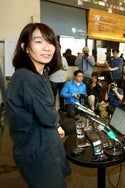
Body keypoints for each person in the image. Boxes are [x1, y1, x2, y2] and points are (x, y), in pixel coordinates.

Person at [5, 23, 71, 188]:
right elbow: (49, 116)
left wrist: (56, 124)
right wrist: (55, 121)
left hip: (47, 143)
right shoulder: (26, 78)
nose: (47, 48)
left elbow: (46, 112)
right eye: (39, 42)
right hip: (38, 152)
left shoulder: (41, 74)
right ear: (25, 47)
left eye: (50, 42)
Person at [50, 44, 69, 112]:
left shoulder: (63, 58)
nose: (58, 50)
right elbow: (48, 69)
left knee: (62, 95)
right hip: (53, 80)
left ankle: (62, 108)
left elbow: (66, 68)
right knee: (53, 96)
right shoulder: (51, 58)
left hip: (62, 80)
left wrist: (62, 67)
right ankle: (52, 109)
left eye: (59, 48)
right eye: (56, 48)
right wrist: (56, 67)